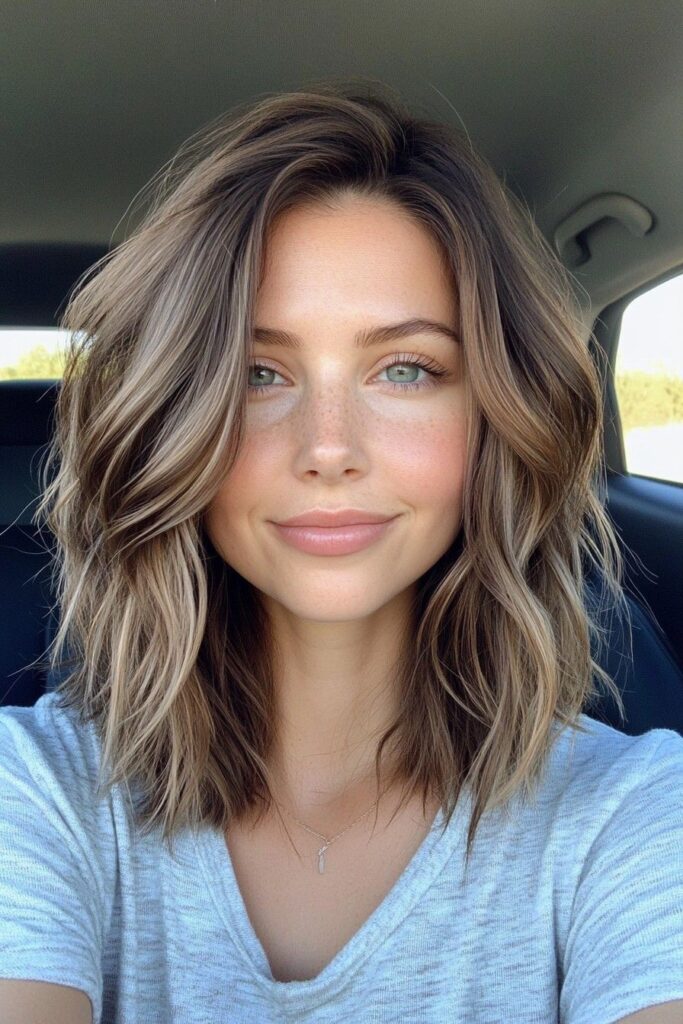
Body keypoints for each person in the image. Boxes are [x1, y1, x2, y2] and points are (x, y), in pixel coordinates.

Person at [1, 79, 682, 1024]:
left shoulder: (636, 813)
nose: (328, 447)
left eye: (405, 369)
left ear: (494, 414)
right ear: (171, 425)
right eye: (254, 372)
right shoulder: (32, 793)